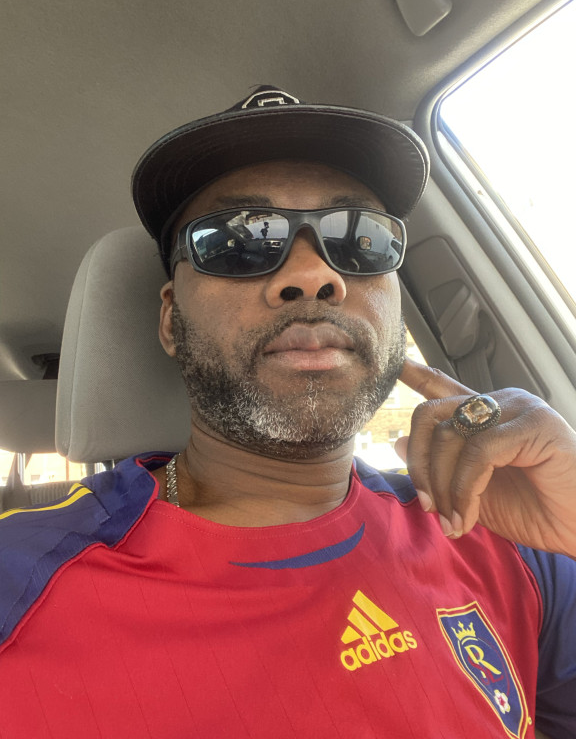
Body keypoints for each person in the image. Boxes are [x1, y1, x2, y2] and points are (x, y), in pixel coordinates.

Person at [0, 86, 574, 739]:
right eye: (239, 240)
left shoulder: (504, 530)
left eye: (359, 238)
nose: (311, 275)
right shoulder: (21, 586)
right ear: (170, 319)